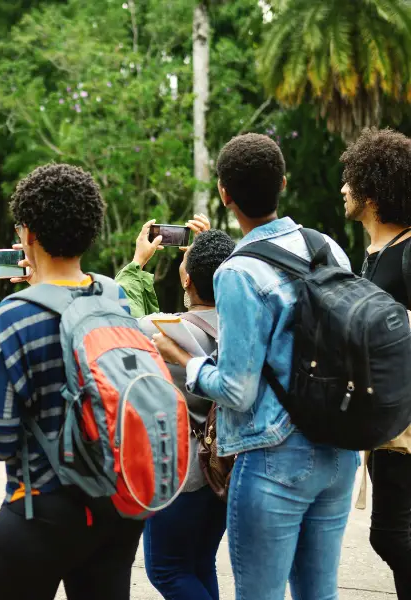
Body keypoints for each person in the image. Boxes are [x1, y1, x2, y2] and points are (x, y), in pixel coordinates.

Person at [153, 133, 359, 600]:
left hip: (274, 456)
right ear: (282, 183)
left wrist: (185, 360)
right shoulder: (327, 246)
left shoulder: (237, 272)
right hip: (339, 450)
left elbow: (238, 389)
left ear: (225, 194)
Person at [0, 163, 144, 600]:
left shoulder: (11, 318)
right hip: (116, 505)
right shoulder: (114, 297)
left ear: (28, 235)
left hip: (42, 510)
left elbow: (0, 439)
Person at [123, 228, 235, 600]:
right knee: (201, 563)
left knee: (167, 570)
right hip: (224, 469)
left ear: (186, 278)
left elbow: (119, 319)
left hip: (181, 477)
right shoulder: (244, 328)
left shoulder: (164, 331)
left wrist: (138, 264)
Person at [341, 128, 411, 599]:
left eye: (350, 180)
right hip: (386, 424)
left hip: (405, 427)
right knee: (393, 534)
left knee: (390, 535)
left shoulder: (408, 252)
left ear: (372, 191)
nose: (342, 190)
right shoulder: (373, 256)